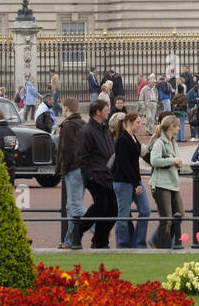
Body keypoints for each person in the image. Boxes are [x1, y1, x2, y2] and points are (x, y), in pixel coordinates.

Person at [76, 99, 117, 250]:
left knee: (113, 209)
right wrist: (90, 176)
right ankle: (78, 230)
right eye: (106, 109)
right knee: (101, 205)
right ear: (98, 112)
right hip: (95, 176)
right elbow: (81, 156)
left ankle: (100, 240)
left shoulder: (104, 129)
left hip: (107, 175)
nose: (108, 111)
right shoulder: (86, 131)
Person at [113, 109, 151, 249]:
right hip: (123, 181)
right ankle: (122, 244)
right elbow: (124, 164)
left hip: (134, 179)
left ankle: (138, 242)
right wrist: (136, 184)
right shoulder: (122, 139)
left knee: (145, 210)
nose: (140, 125)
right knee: (123, 214)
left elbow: (139, 155)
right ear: (129, 123)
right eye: (138, 122)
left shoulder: (133, 137)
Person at [148, 114, 185, 248]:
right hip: (161, 184)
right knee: (167, 219)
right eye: (177, 126)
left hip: (172, 183)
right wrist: (172, 161)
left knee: (179, 214)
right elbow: (154, 160)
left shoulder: (173, 142)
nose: (179, 128)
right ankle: (163, 248)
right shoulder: (159, 142)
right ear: (171, 127)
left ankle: (158, 242)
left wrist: (177, 164)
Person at [57, 98, 87, 249]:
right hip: (82, 168)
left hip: (73, 169)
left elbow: (66, 150)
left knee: (76, 207)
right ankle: (68, 241)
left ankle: (100, 225)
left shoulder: (68, 125)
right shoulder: (82, 124)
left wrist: (61, 168)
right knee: (71, 207)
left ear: (66, 108)